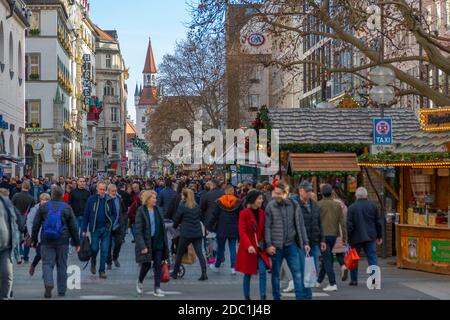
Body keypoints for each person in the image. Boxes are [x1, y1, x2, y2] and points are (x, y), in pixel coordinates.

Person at [31, 186, 80, 298]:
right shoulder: (67, 207)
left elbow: (36, 224)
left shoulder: (43, 207)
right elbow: (73, 226)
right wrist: (77, 242)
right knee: (62, 264)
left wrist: (34, 240)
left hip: (47, 240)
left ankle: (48, 283)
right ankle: (62, 290)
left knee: (47, 263)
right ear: (62, 195)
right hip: (62, 240)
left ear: (52, 195)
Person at [265, 181, 310, 300]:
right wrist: (268, 244)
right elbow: (267, 227)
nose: (276, 196)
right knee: (275, 275)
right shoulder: (270, 206)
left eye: (279, 194)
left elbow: (301, 225)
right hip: (276, 246)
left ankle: (299, 297)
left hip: (291, 244)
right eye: (275, 193)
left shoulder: (294, 205)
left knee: (298, 273)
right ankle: (276, 297)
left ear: (286, 194)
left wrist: (305, 242)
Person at [284, 181, 326, 298]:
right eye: (307, 191)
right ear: (300, 190)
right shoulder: (293, 203)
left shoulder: (314, 205)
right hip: (300, 242)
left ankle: (307, 294)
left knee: (312, 271)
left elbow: (319, 223)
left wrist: (322, 239)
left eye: (310, 191)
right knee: (302, 270)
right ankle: (302, 295)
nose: (309, 193)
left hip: (314, 242)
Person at [235, 190, 271, 300]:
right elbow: (242, 231)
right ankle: (247, 296)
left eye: (261, 198)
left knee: (263, 271)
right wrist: (249, 245)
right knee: (248, 273)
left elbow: (264, 230)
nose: (261, 200)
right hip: (248, 248)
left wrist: (268, 244)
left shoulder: (261, 213)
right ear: (253, 200)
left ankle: (263, 296)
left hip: (259, 247)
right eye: (259, 198)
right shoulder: (244, 213)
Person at [135, 190, 169, 297]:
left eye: (155, 198)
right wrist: (142, 246)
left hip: (158, 241)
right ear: (147, 199)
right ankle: (140, 281)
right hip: (147, 242)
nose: (155, 200)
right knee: (146, 264)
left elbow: (162, 227)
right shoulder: (141, 211)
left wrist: (165, 243)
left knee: (158, 265)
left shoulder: (158, 209)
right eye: (153, 198)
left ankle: (157, 288)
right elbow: (138, 230)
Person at [347, 187, 382, 286]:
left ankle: (354, 280)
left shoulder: (352, 207)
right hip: (370, 236)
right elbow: (377, 223)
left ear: (356, 196)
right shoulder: (373, 206)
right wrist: (379, 236)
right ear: (366, 195)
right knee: (372, 258)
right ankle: (374, 280)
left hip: (355, 237)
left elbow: (349, 225)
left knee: (354, 259)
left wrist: (348, 238)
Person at [82, 182, 117, 279]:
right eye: (100, 189)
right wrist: (84, 229)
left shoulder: (109, 200)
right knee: (94, 248)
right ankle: (93, 261)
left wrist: (111, 222)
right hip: (94, 228)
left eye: (103, 189)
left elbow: (114, 213)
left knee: (105, 250)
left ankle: (102, 270)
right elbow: (86, 214)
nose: (102, 191)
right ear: (97, 189)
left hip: (106, 228)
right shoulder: (91, 199)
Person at [170, 189, 208, 281]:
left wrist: (175, 226)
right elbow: (201, 218)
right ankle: (204, 274)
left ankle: (175, 273)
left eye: (182, 195)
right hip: (197, 233)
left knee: (179, 253)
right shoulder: (196, 206)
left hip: (186, 233)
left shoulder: (182, 206)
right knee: (200, 253)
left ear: (185, 196)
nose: (181, 196)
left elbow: (176, 220)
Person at [317, 184, 347, 292]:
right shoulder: (337, 205)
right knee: (327, 257)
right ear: (331, 193)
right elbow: (342, 223)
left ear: (322, 193)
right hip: (334, 235)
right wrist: (344, 238)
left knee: (326, 259)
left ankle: (332, 283)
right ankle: (319, 280)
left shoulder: (318, 205)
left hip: (323, 235)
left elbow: (315, 222)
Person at [208, 185, 241, 275]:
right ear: (232, 191)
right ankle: (233, 267)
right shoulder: (237, 202)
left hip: (221, 228)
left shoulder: (219, 201)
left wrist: (209, 226)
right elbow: (240, 216)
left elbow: (214, 215)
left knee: (221, 248)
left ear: (225, 191)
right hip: (233, 228)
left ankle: (217, 266)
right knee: (233, 248)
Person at [0, 194, 22, 300]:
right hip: (6, 244)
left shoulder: (6, 202)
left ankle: (5, 296)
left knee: (7, 274)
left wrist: (19, 231)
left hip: (6, 246)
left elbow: (15, 219)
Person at [27, 193, 51, 276]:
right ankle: (33, 265)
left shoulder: (51, 209)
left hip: (48, 235)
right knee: (40, 254)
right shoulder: (35, 209)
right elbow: (29, 222)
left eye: (47, 200)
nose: (45, 202)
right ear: (40, 200)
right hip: (37, 236)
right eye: (43, 200)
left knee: (47, 256)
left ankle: (46, 273)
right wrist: (32, 235)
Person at [12, 180, 35, 263]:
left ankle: (19, 254)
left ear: (22, 186)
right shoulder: (31, 198)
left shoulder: (16, 196)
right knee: (27, 239)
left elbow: (11, 207)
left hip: (16, 220)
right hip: (27, 221)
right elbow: (33, 212)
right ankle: (26, 256)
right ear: (29, 188)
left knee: (16, 238)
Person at [106, 184, 127, 269]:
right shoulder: (106, 200)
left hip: (117, 225)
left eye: (115, 191)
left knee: (119, 243)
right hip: (108, 226)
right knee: (108, 245)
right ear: (108, 191)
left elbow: (123, 210)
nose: (114, 193)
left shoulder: (118, 199)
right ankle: (109, 262)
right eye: (112, 191)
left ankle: (115, 258)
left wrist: (123, 221)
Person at [332, 191, 349, 282]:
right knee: (340, 253)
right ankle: (343, 266)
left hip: (332, 232)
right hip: (341, 232)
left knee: (328, 256)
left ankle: (325, 277)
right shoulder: (344, 207)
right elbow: (345, 220)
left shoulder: (331, 206)